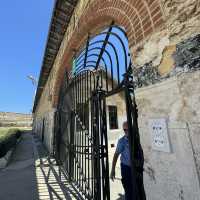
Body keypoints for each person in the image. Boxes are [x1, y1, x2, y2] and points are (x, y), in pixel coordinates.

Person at [110, 121, 146, 200]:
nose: (126, 131)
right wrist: (113, 170)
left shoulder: (137, 139)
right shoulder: (122, 141)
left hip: (137, 168)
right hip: (126, 168)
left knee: (138, 188)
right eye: (124, 130)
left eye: (128, 129)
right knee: (128, 190)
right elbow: (116, 155)